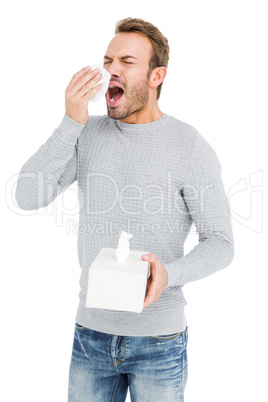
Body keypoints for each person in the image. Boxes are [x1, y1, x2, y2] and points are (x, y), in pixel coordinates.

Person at [15, 17, 234, 402]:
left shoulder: (189, 145)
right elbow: (26, 196)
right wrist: (70, 122)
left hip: (159, 341)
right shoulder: (87, 133)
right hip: (90, 338)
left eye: (127, 62)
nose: (112, 69)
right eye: (108, 60)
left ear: (156, 75)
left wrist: (172, 274)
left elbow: (221, 242)